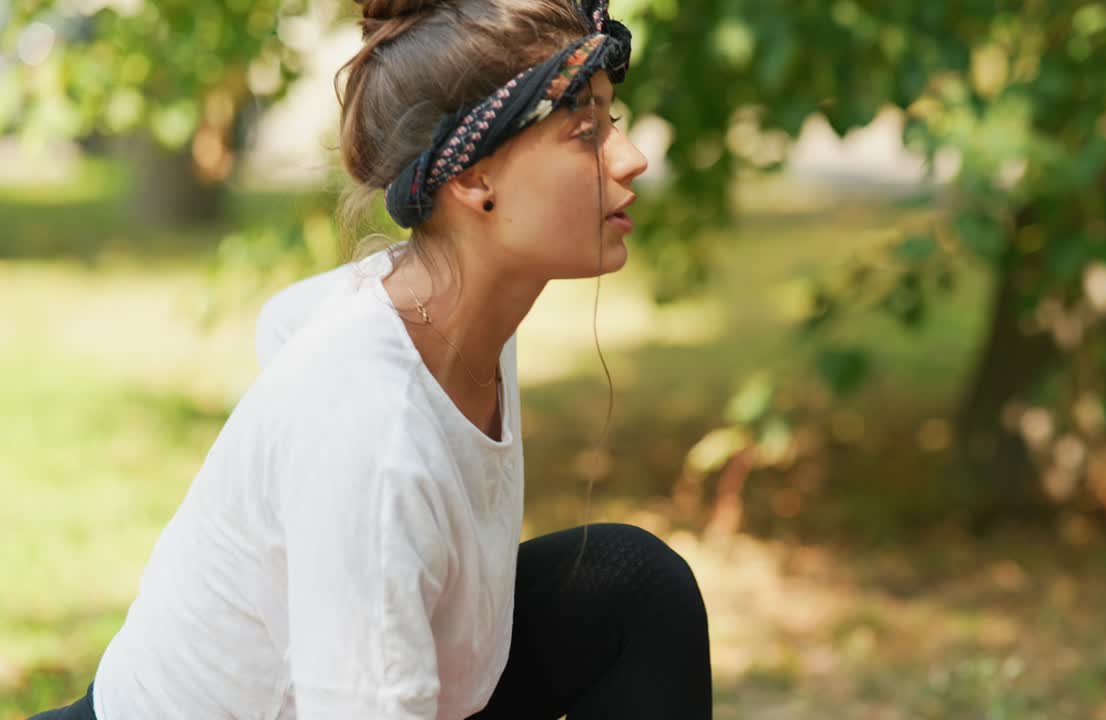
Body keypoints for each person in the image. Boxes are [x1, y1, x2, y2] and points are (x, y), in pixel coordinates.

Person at [28, 0, 712, 717]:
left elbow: (286, 319)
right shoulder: (374, 434)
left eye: (615, 122)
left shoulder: (445, 305)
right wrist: (323, 452)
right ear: (473, 179)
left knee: (635, 592)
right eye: (585, 134)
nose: (629, 158)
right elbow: (350, 411)